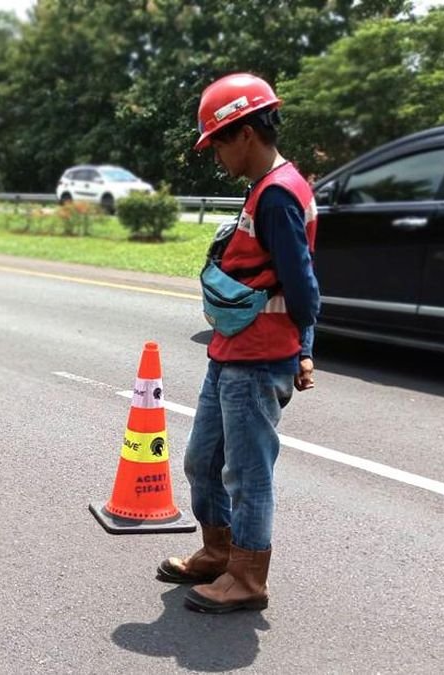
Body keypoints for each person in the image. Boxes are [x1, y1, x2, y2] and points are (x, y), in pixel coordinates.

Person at [157, 73, 320, 614]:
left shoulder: (276, 196)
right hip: (231, 353)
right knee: (202, 462)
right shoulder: (263, 189)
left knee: (248, 475)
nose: (217, 155)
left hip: (257, 359)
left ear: (245, 133)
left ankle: (247, 578)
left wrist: (303, 346)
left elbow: (303, 284)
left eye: (219, 142)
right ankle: (217, 551)